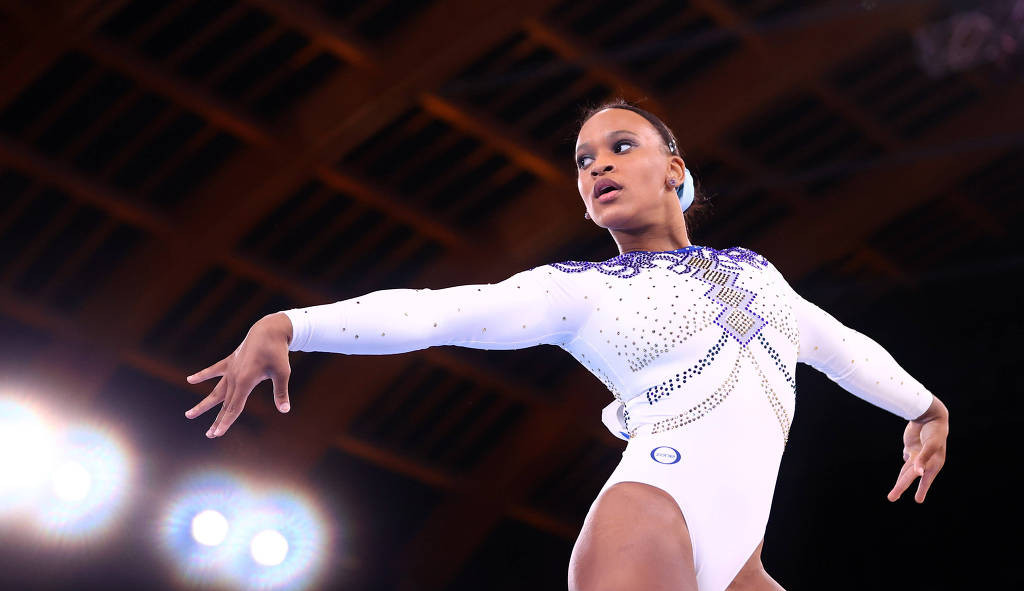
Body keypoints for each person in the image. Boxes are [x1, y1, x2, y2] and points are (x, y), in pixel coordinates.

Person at [183, 100, 949, 591]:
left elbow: (842, 348)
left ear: (674, 170)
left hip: (741, 562)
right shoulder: (579, 290)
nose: (598, 166)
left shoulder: (756, 272)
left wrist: (925, 405)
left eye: (619, 146)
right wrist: (292, 325)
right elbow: (440, 311)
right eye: (584, 161)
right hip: (650, 520)